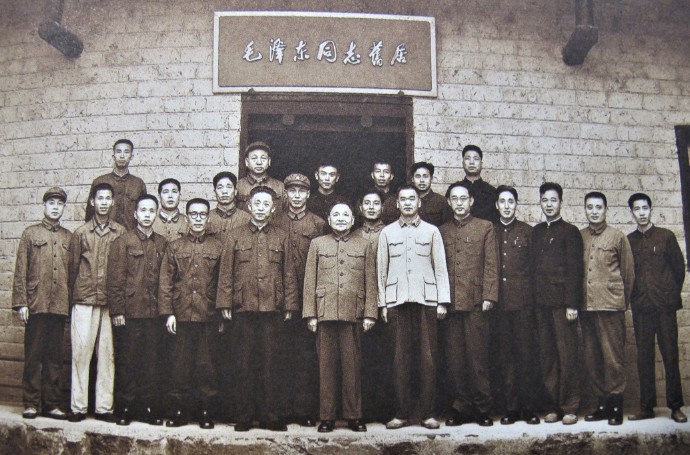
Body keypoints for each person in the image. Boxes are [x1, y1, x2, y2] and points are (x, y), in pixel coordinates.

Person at [217, 186, 298, 432]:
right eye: (257, 204)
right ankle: (243, 416)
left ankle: (270, 416)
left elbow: (288, 273)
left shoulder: (282, 236)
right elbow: (226, 271)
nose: (261, 208)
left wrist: (290, 304)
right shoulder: (235, 235)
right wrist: (225, 303)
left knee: (271, 363)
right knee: (243, 363)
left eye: (266, 204)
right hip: (243, 308)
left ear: (273, 209)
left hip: (273, 309)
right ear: (249, 206)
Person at [377, 185, 450, 430]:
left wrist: (442, 300)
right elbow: (381, 271)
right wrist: (383, 303)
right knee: (400, 360)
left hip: (426, 301)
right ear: (397, 204)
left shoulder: (432, 231)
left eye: (412, 199)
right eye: (403, 199)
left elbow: (440, 267)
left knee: (427, 360)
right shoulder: (387, 233)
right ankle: (402, 413)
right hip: (396, 302)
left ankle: (427, 414)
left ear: (419, 203)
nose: (408, 203)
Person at [303, 202, 377, 433]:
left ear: (353, 220)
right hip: (325, 313)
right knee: (326, 368)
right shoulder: (317, 244)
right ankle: (327, 417)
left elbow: (370, 281)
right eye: (336, 214)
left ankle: (354, 416)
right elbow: (309, 281)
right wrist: (310, 314)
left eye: (346, 215)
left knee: (351, 367)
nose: (341, 218)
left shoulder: (364, 244)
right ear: (329, 219)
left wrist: (370, 313)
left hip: (353, 313)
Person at [439, 181, 499, 427]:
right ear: (449, 202)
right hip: (451, 304)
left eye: (463, 198)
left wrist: (489, 296)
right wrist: (441, 300)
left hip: (476, 303)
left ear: (471, 201)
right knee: (455, 359)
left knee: (477, 358)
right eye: (454, 198)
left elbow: (491, 265)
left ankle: (482, 408)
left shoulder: (485, 227)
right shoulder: (441, 231)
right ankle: (461, 407)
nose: (459, 203)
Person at [158, 198, 221, 429]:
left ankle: (205, 411)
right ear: (187, 217)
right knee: (180, 365)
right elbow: (166, 282)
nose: (198, 219)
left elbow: (223, 283)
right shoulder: (175, 247)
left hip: (208, 315)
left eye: (202, 214)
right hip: (181, 315)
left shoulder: (218, 247)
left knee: (206, 365)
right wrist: (168, 313)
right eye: (193, 214)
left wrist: (220, 314)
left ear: (208, 218)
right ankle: (179, 411)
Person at [107, 194, 169, 426]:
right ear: (135, 214)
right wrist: (118, 311)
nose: (147, 215)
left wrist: (165, 312)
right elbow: (115, 280)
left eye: (151, 211)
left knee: (152, 362)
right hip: (130, 314)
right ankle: (125, 407)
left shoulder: (162, 243)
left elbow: (166, 280)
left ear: (156, 214)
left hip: (154, 315)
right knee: (128, 361)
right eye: (143, 210)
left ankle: (148, 408)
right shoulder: (122, 242)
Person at [626, 193, 687, 423]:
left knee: (670, 356)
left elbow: (678, 269)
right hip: (642, 308)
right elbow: (626, 273)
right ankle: (646, 407)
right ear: (631, 212)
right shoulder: (629, 241)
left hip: (664, 308)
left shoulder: (666, 236)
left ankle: (675, 407)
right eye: (637, 209)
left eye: (645, 208)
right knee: (644, 357)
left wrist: (668, 293)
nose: (641, 213)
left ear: (651, 210)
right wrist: (636, 297)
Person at [12, 187, 71, 420]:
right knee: (34, 355)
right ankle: (31, 403)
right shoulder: (30, 234)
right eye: (51, 203)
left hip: (59, 305)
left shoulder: (68, 237)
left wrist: (70, 305)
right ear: (44, 206)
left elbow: (73, 273)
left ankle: (51, 404)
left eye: (59, 204)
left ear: (64, 207)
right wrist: (21, 303)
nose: (55, 207)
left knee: (55, 358)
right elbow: (21, 270)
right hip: (36, 304)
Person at [273, 173, 327, 427]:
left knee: (306, 355)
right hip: (280, 299)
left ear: (308, 194)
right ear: (285, 194)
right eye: (292, 191)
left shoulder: (318, 224)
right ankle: (282, 408)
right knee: (281, 354)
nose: (296, 195)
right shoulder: (275, 220)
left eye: (301, 191)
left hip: (308, 298)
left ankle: (304, 410)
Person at [68, 183, 125, 422]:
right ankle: (78, 407)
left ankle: (104, 407)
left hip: (109, 302)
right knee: (81, 353)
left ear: (113, 202)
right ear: (92, 202)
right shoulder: (81, 233)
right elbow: (72, 268)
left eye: (107, 198)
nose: (103, 202)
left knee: (107, 355)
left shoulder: (120, 232)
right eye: (99, 198)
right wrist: (73, 298)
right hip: (84, 299)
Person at [529, 182, 583, 425]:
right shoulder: (537, 232)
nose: (549, 205)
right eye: (545, 200)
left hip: (563, 305)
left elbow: (575, 270)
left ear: (561, 202)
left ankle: (570, 406)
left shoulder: (570, 232)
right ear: (540, 203)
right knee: (547, 356)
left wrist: (572, 304)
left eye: (553, 200)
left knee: (567, 355)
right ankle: (552, 406)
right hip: (542, 304)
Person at [579, 191, 634, 426]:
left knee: (613, 359)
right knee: (592, 358)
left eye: (598, 207)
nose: (594, 211)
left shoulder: (617, 237)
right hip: (587, 307)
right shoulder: (580, 236)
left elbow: (628, 274)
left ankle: (615, 406)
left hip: (610, 307)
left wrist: (620, 302)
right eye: (590, 207)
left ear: (606, 210)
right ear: (585, 209)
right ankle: (600, 405)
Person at [493, 185, 541, 425]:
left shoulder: (527, 232)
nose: (506, 206)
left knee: (526, 356)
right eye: (502, 202)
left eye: (510, 201)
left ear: (516, 205)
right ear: (496, 205)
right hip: (500, 306)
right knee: (506, 357)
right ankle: (511, 409)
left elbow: (534, 269)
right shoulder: (490, 231)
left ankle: (528, 408)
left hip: (523, 305)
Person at [353, 188, 394, 423]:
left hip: (385, 303)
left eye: (376, 203)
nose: (371, 207)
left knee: (385, 357)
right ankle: (362, 410)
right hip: (360, 305)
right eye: (366, 203)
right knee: (361, 358)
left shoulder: (390, 233)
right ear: (360, 208)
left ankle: (385, 409)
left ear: (383, 208)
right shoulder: (353, 235)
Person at [85, 139, 146, 231]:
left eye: (126, 152)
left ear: (131, 156)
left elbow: (143, 213)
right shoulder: (100, 181)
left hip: (130, 235)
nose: (122, 156)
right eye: (118, 152)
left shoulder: (138, 184)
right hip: (103, 235)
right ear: (113, 156)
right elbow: (89, 215)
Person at [236, 141, 284, 213]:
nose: (259, 162)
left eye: (263, 158)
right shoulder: (239, 186)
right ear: (246, 162)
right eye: (254, 158)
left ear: (269, 161)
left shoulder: (280, 186)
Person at [207, 171, 252, 243]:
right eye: (220, 187)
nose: (224, 191)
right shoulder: (206, 218)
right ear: (214, 192)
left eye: (229, 187)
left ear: (235, 191)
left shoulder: (247, 219)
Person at [460, 145, 498, 224]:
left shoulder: (492, 192)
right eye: (467, 158)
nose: (471, 162)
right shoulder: (454, 190)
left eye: (476, 159)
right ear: (462, 163)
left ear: (481, 163)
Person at [410, 161, 450, 226]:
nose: (421, 180)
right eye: (418, 176)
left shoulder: (442, 201)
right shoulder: (408, 201)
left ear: (431, 179)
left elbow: (447, 227)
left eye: (425, 176)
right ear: (412, 179)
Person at [153, 178, 187, 242]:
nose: (170, 196)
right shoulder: (151, 221)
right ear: (159, 196)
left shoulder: (187, 222)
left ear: (180, 196)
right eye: (165, 192)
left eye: (174, 192)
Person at [370, 160, 399, 224]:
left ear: (391, 176)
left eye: (386, 172)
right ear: (372, 175)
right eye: (378, 171)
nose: (382, 175)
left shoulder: (397, 199)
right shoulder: (365, 199)